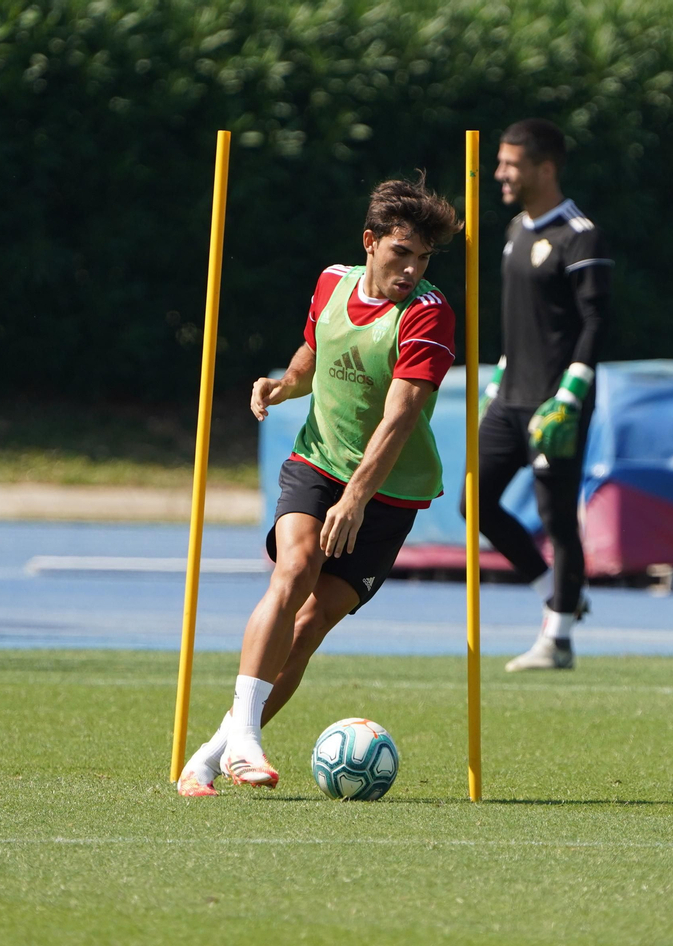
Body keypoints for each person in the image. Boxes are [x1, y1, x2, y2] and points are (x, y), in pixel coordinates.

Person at [177, 177, 460, 796]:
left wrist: (357, 498)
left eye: (422, 259)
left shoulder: (428, 315)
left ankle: (216, 749)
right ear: (370, 242)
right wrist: (281, 385)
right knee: (295, 568)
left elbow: (401, 415)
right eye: (400, 253)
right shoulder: (332, 282)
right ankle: (248, 738)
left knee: (310, 626)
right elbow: (313, 352)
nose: (411, 269)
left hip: (391, 490)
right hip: (317, 462)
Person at [475, 118, 612, 671]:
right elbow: (524, 324)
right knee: (473, 500)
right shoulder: (515, 231)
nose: (500, 173)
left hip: (557, 401)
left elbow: (596, 322)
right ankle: (561, 596)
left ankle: (557, 640)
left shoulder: (581, 235)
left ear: (545, 168)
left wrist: (571, 394)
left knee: (557, 517)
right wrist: (495, 385)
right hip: (509, 398)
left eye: (510, 163)